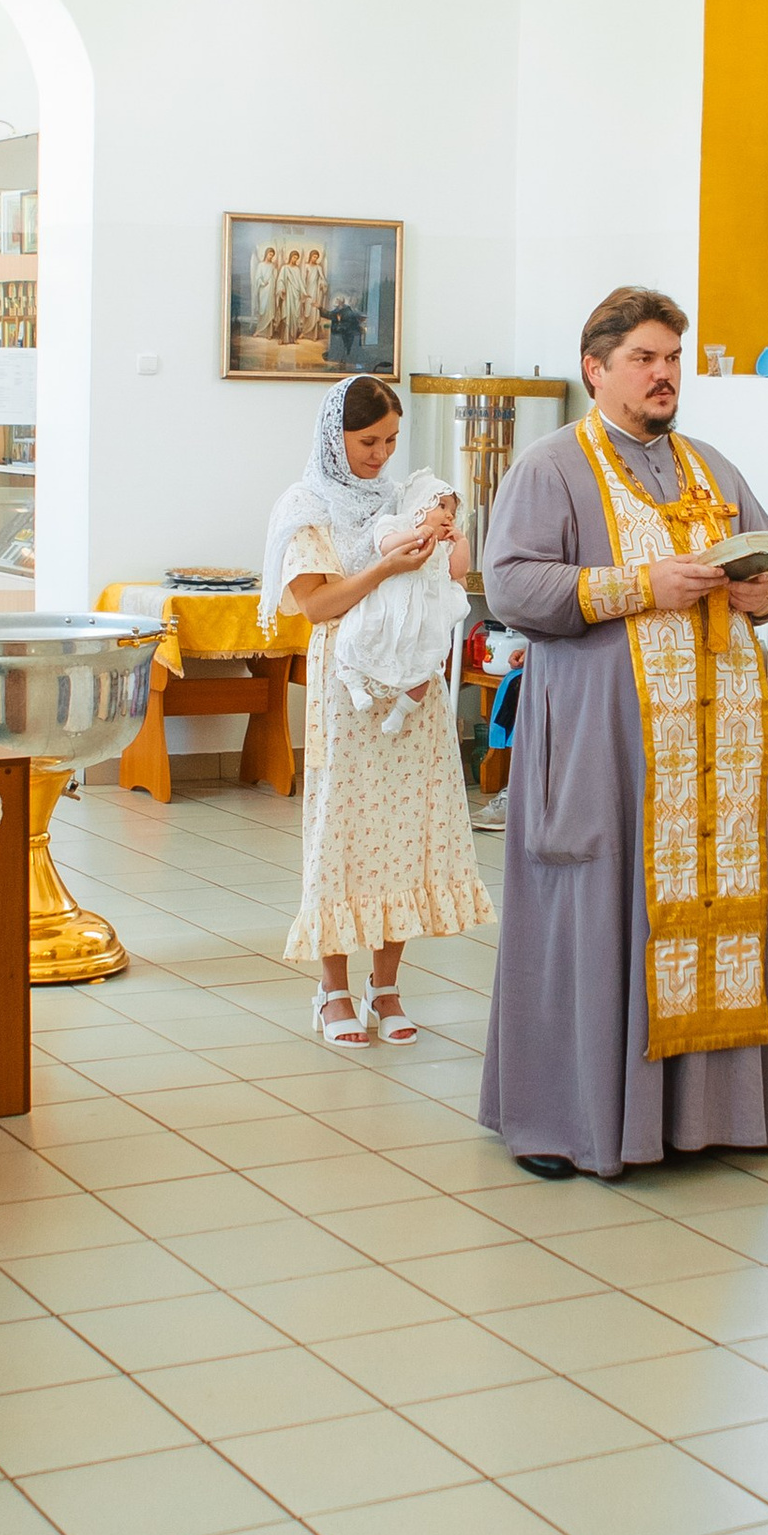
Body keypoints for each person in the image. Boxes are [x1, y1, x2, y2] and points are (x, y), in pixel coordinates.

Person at [479, 286, 768, 1179]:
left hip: (707, 754)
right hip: (600, 741)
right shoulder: (551, 466)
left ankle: (705, 1118)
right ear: (597, 368)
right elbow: (510, 586)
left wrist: (766, 589)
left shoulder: (710, 468)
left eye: (672, 358)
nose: (664, 375)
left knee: (710, 912)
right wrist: (641, 586)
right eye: (645, 358)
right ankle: (564, 1120)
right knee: (589, 909)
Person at [264, 377, 492, 1046]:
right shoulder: (306, 506)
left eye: (391, 440)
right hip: (346, 685)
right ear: (334, 438)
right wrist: (385, 568)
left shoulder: (405, 499)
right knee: (344, 828)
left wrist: (445, 539)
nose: (381, 454)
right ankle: (332, 990)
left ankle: (386, 987)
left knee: (404, 831)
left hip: (411, 677)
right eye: (368, 441)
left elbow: (453, 570)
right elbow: (316, 605)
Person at [336, 475, 470, 720]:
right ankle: (356, 686)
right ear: (419, 503)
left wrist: (461, 542)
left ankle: (400, 712)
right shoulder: (397, 524)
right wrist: (415, 535)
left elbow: (458, 572)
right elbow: (386, 546)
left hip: (422, 617)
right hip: (389, 603)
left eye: (452, 512)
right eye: (441, 506)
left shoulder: (443, 548)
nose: (449, 515)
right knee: (360, 633)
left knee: (425, 663)